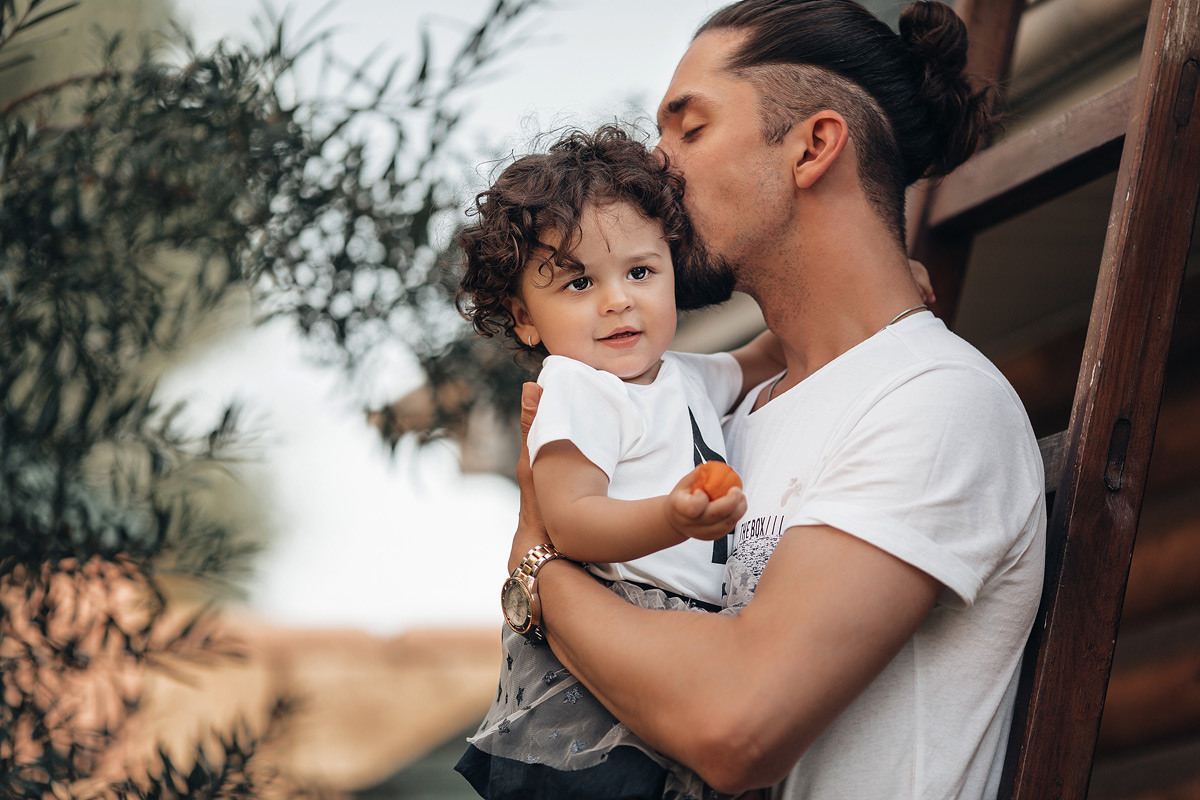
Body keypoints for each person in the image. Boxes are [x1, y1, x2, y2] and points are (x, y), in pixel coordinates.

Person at [502, 1, 1047, 798]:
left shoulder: (931, 402)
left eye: (689, 130)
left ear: (812, 147)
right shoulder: (722, 414)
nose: (656, 169)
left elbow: (735, 724)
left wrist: (533, 571)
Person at [453, 126, 790, 800]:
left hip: (679, 630)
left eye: (640, 271)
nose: (618, 300)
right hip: (600, 648)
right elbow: (572, 524)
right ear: (525, 319)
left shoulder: (682, 377)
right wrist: (672, 517)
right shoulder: (577, 390)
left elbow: (765, 355)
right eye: (579, 282)